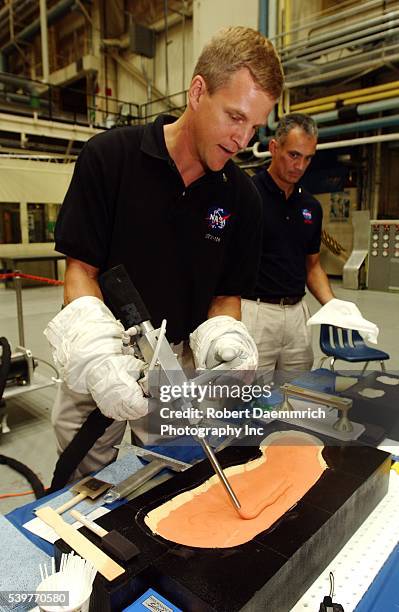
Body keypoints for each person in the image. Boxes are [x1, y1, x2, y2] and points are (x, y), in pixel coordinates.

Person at [44, 26, 284, 479]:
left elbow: (226, 295)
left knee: (172, 478)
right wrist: (99, 360)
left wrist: (223, 338)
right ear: (198, 91)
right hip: (103, 351)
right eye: (234, 117)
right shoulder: (110, 158)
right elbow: (81, 272)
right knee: (82, 485)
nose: (242, 139)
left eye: (254, 126)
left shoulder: (241, 198)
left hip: (178, 367)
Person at [242, 113, 334, 376]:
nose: (301, 166)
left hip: (297, 316)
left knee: (296, 394)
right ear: (273, 147)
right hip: (256, 313)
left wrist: (334, 306)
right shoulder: (247, 196)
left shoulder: (311, 207)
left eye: (308, 158)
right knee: (247, 398)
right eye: (294, 155)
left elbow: (313, 266)